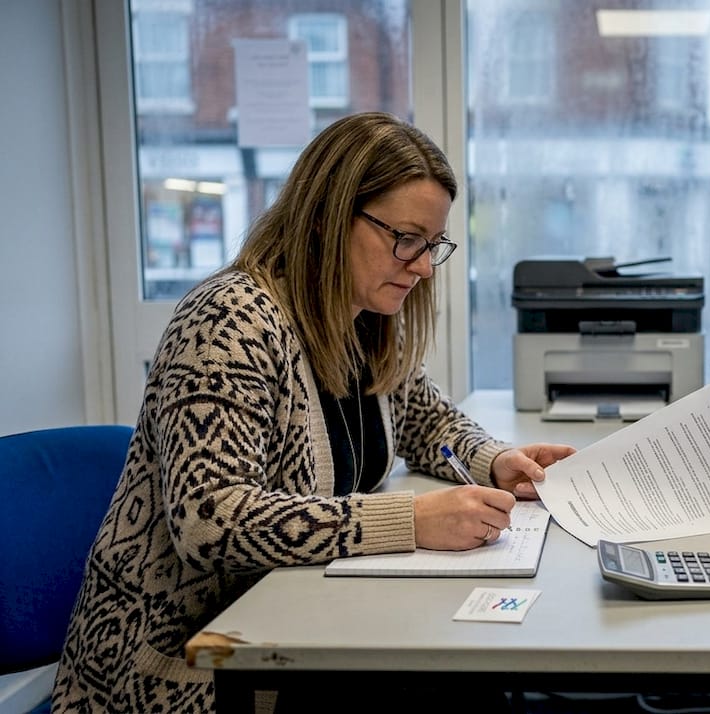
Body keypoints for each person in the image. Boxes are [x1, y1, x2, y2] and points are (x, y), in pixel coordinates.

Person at [51, 112, 575, 713]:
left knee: (464, 680)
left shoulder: (366, 320)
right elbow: (209, 520)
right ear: (326, 218)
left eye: (433, 245)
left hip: (293, 625)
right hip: (182, 667)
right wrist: (408, 520)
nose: (424, 266)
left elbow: (426, 421)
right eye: (406, 239)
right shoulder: (229, 323)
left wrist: (497, 460)